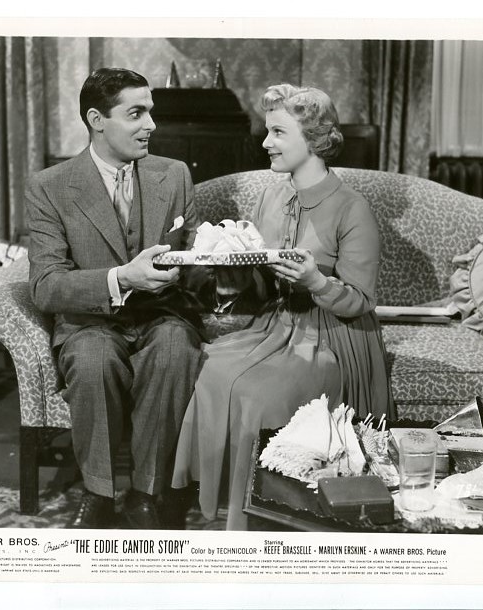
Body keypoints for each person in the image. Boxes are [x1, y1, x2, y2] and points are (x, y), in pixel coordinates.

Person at [171, 84, 394, 530]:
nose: (265, 142)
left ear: (313, 139)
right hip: (277, 324)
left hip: (335, 335)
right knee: (210, 370)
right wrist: (233, 275)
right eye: (267, 131)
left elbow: (361, 299)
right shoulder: (271, 196)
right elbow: (261, 276)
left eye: (278, 132)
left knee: (258, 394)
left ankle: (263, 515)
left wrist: (316, 282)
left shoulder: (352, 208)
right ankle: (220, 502)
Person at [26, 67, 205, 529]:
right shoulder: (49, 186)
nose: (151, 125)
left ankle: (147, 493)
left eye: (150, 113)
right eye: (136, 113)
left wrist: (221, 261)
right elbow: (46, 284)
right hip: (90, 322)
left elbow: (192, 261)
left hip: (162, 316)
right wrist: (122, 278)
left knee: (175, 350)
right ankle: (99, 493)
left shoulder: (174, 175)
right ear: (97, 120)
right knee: (92, 361)